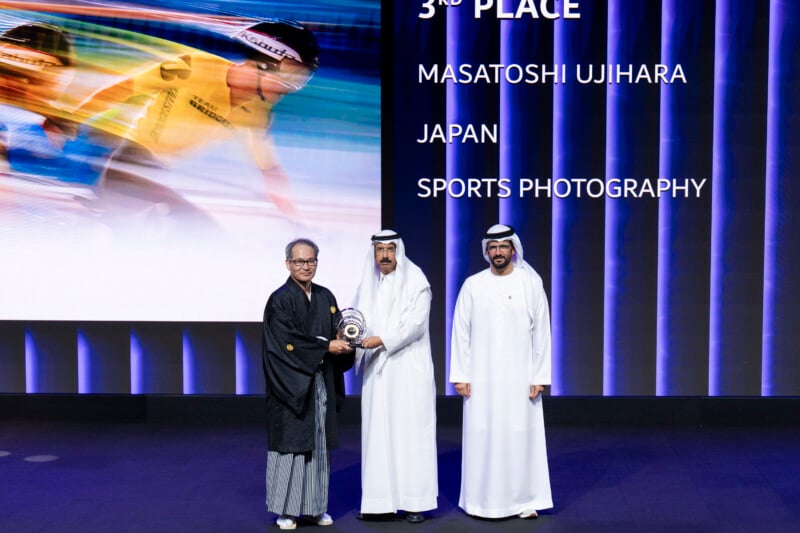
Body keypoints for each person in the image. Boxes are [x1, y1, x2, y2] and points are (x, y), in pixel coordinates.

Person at [63, 18, 320, 218]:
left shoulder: (256, 113)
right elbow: (124, 89)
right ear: (266, 62)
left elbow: (270, 171)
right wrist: (68, 118)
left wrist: (297, 221)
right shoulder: (193, 67)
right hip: (132, 160)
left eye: (300, 80)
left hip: (159, 173)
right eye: (291, 76)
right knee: (197, 228)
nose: (292, 88)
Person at [449, 224, 553, 519]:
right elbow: (461, 332)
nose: (497, 252)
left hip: (521, 378)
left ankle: (524, 500)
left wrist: (540, 376)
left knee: (521, 436)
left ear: (513, 249)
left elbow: (542, 332)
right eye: (492, 247)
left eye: (503, 247)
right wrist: (461, 374)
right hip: (481, 379)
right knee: (483, 435)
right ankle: (480, 501)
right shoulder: (473, 284)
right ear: (486, 251)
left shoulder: (530, 283)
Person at [262, 237, 355, 530]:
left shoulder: (326, 297)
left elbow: (339, 329)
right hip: (291, 384)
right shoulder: (280, 300)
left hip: (321, 381)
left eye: (311, 261)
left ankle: (315, 507)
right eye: (300, 261)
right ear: (288, 263)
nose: (306, 266)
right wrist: (326, 347)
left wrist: (347, 341)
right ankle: (286, 509)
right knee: (291, 445)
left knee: (318, 443)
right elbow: (285, 343)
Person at [351, 230, 438, 523]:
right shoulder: (368, 285)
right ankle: (379, 503)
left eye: (390, 249)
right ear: (373, 253)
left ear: (398, 251)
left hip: (408, 370)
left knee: (411, 434)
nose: (385, 255)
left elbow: (414, 325)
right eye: (380, 250)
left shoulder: (416, 281)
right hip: (377, 373)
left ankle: (415, 502)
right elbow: (356, 321)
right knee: (377, 435)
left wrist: (380, 340)